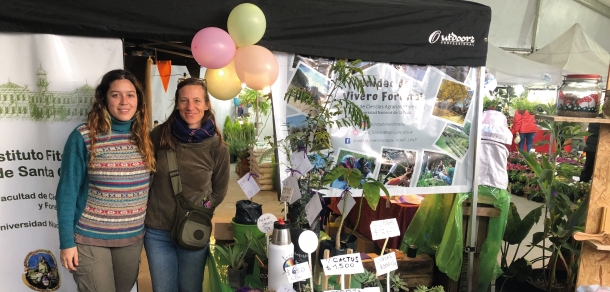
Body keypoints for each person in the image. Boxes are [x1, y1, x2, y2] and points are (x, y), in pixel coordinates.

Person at [56, 69, 155, 291]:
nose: (124, 102)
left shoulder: (145, 137)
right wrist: (66, 242)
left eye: (130, 95)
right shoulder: (84, 135)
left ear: (138, 100)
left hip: (131, 240)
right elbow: (67, 192)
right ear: (103, 99)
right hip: (90, 239)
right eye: (115, 95)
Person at [144, 78, 230, 292]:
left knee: (191, 288)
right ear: (177, 103)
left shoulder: (217, 147)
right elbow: (145, 177)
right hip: (158, 231)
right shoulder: (159, 136)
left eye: (197, 100)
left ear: (207, 104)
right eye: (184, 100)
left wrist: (203, 210)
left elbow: (219, 191)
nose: (190, 107)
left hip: (194, 230)